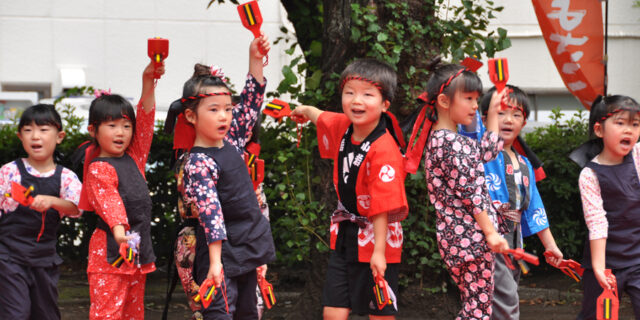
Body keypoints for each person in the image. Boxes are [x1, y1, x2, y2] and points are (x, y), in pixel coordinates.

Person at [291, 58, 409, 319]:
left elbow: (382, 205)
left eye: (367, 94)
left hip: (378, 236)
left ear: (385, 104)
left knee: (379, 310)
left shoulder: (385, 148)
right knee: (333, 309)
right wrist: (304, 110)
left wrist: (379, 252)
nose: (357, 100)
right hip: (346, 233)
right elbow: (320, 116)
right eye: (350, 93)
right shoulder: (345, 127)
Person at [177, 34, 276, 320]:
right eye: (214, 110)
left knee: (248, 313)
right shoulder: (197, 162)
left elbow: (251, 104)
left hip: (248, 243)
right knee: (220, 314)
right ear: (191, 116)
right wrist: (216, 264)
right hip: (219, 251)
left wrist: (256, 59)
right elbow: (212, 215)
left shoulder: (232, 140)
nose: (224, 116)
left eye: (227, 109)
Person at [404, 62, 509, 319]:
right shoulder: (451, 143)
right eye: (469, 98)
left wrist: (493, 112)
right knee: (477, 310)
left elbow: (486, 152)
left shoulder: (444, 140)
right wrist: (491, 233)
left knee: (475, 304)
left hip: (459, 240)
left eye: (477, 99)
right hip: (471, 239)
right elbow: (472, 194)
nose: (475, 105)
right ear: (443, 100)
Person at [461, 85, 563, 319]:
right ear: (484, 118)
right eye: (501, 112)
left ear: (524, 122)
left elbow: (535, 207)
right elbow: (469, 125)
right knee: (506, 301)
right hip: (485, 237)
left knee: (494, 302)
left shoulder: (525, 163)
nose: (508, 120)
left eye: (516, 114)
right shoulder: (480, 150)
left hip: (513, 239)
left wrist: (550, 245)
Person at [77, 61, 164, 320]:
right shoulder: (98, 168)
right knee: (107, 315)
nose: (121, 133)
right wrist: (119, 231)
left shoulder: (134, 158)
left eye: (126, 126)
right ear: (93, 130)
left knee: (133, 314)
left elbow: (146, 122)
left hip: (136, 251)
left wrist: (148, 80)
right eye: (112, 125)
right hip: (109, 255)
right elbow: (110, 202)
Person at [0, 104, 82, 320]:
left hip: (45, 259)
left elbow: (76, 208)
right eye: (28, 130)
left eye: (44, 130)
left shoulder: (67, 177)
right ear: (20, 136)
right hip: (8, 258)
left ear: (59, 136)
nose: (35, 136)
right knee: (15, 314)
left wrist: (53, 201)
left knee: (45, 315)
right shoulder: (8, 172)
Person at [575, 95, 640, 320]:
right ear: (599, 130)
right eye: (620, 123)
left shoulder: (638, 157)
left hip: (637, 259)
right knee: (597, 316)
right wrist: (600, 268)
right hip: (604, 262)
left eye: (635, 124)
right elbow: (597, 222)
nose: (629, 130)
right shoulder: (589, 174)